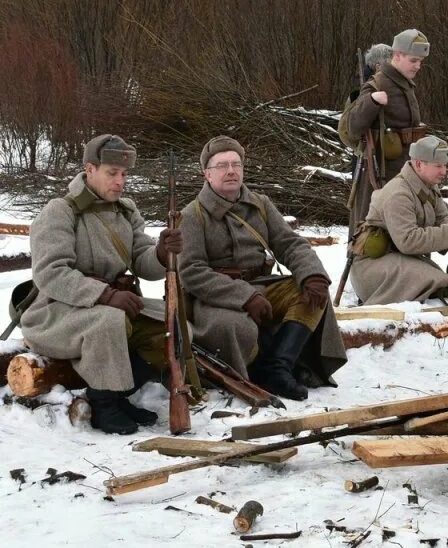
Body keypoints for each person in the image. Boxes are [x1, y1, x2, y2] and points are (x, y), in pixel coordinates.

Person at [20, 134, 182, 434]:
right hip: (55, 312)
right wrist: (104, 294)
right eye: (112, 173)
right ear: (89, 169)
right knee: (108, 321)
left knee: (170, 319)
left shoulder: (126, 211)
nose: (119, 182)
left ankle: (118, 395)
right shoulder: (60, 211)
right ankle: (104, 404)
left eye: (124, 174)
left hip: (108, 305)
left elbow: (143, 262)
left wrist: (160, 253)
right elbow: (51, 273)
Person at [179, 136, 347, 401]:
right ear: (207, 174)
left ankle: (277, 367)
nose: (231, 170)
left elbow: (290, 243)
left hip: (262, 284)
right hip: (216, 297)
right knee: (236, 327)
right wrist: (243, 296)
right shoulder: (192, 215)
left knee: (311, 294)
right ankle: (256, 369)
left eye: (236, 164)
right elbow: (191, 272)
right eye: (222, 165)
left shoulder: (260, 203)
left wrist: (312, 274)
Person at [350, 136, 448, 304]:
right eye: (438, 166)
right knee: (436, 280)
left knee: (443, 279)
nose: (444, 172)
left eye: (445, 165)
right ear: (419, 164)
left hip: (400, 259)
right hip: (373, 267)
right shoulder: (399, 194)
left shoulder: (428, 185)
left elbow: (442, 215)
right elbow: (408, 241)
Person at [339, 29, 430, 229]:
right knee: (372, 238)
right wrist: (372, 101)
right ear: (398, 56)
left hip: (405, 172)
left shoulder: (404, 84)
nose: (418, 66)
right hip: (382, 175)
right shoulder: (378, 84)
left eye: (420, 61)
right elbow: (352, 127)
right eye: (414, 60)